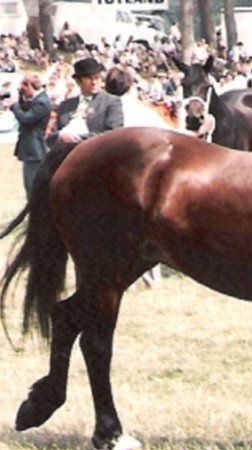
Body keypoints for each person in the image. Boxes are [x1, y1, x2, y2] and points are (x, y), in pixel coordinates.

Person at [104, 65, 173, 288]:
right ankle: (152, 277)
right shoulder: (142, 111)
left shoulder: (103, 108)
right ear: (131, 86)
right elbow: (170, 136)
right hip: (144, 176)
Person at [47, 57, 123, 149]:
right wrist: (60, 136)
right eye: (89, 78)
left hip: (94, 153)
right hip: (63, 155)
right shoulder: (65, 105)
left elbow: (113, 134)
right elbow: (50, 137)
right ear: (79, 81)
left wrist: (78, 137)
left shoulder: (111, 102)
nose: (94, 82)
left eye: (97, 78)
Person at [9, 73, 52, 200]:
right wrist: (19, 98)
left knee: (33, 188)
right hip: (31, 149)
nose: (23, 91)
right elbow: (25, 108)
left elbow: (26, 119)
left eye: (24, 88)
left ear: (30, 86)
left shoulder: (41, 103)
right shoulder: (37, 100)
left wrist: (14, 105)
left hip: (35, 150)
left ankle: (36, 216)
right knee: (30, 187)